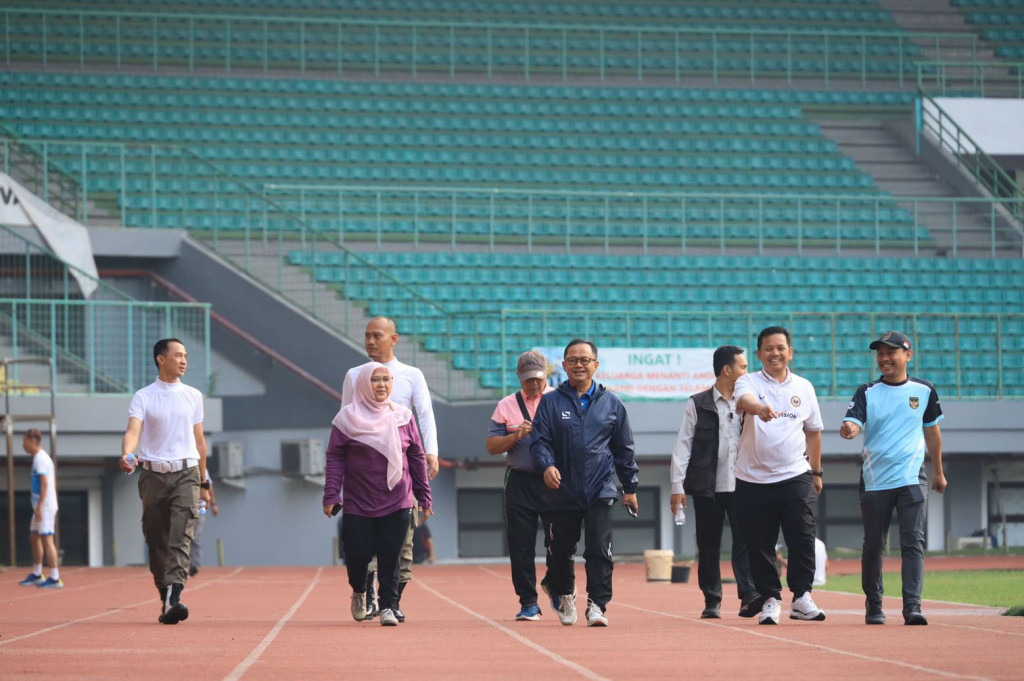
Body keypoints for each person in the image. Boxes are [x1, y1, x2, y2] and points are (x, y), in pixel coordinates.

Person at [840, 330, 946, 626]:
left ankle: (913, 606)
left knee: (913, 543)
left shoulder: (924, 390)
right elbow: (852, 422)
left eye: (891, 352)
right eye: (880, 353)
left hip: (912, 478)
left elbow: (933, 432)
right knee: (874, 544)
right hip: (875, 480)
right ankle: (874, 604)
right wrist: (849, 429)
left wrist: (938, 471)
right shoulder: (867, 391)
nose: (884, 358)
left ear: (907, 355)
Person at [531, 339, 639, 628]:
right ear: (564, 365)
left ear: (595, 365)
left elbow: (624, 449)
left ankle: (597, 604)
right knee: (560, 549)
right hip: (562, 489)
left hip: (600, 488)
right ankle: (565, 594)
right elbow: (540, 441)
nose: (579, 365)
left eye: (585, 360)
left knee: (599, 549)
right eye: (573, 360)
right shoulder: (550, 402)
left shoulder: (612, 403)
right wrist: (547, 465)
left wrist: (630, 488)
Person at [341, 316, 439, 621]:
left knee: (402, 545)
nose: (370, 341)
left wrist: (431, 452)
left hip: (402, 474)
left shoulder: (411, 375)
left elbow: (425, 413)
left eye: (377, 336)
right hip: (365, 476)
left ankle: (392, 600)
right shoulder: (354, 375)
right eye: (367, 335)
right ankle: (369, 594)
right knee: (364, 543)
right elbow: (345, 420)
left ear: (394, 339)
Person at [323, 362, 432, 627]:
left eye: (386, 379)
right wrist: (331, 493)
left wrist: (424, 496)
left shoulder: (404, 417)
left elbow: (417, 457)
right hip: (358, 501)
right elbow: (335, 457)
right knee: (357, 554)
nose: (381, 385)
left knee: (391, 555)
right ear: (362, 384)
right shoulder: (345, 419)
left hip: (398, 498)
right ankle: (359, 589)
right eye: (375, 380)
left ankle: (388, 606)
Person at [734, 326, 825, 625]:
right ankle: (770, 598)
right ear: (759, 354)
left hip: (795, 473)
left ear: (790, 352)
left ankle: (802, 596)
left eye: (780, 348)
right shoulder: (747, 381)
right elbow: (744, 401)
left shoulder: (804, 387)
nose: (775, 353)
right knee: (760, 543)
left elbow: (813, 432)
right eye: (768, 349)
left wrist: (816, 472)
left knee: (802, 535)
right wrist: (758, 408)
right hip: (753, 478)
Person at [119, 338, 209, 625]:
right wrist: (127, 453)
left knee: (181, 535)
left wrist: (204, 481)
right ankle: (166, 595)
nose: (184, 361)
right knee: (156, 538)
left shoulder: (193, 395)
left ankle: (175, 595)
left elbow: (200, 441)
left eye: (186, 356)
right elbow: (133, 431)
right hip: (153, 475)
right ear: (161, 359)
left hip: (187, 473)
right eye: (178, 355)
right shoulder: (143, 396)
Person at [669, 345, 757, 619]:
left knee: (746, 541)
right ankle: (712, 599)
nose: (747, 372)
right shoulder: (697, 403)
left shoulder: (749, 402)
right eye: (743, 367)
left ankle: (749, 595)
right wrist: (677, 487)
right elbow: (682, 446)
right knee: (708, 546)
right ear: (727, 370)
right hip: (708, 488)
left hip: (743, 485)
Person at [486, 350, 555, 621]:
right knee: (521, 545)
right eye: (528, 380)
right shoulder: (506, 405)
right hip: (519, 481)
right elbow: (492, 446)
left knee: (560, 541)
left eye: (538, 378)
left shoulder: (560, 399)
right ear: (518, 377)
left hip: (554, 480)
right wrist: (515, 436)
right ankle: (528, 601)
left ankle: (556, 583)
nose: (534, 384)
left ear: (547, 375)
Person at [18, 429, 62, 588]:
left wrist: (41, 506)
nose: (23, 445)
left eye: (25, 441)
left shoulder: (41, 459)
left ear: (32, 441)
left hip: (44, 506)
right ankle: (37, 573)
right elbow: (52, 482)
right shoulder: (40, 458)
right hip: (40, 505)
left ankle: (55, 577)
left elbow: (45, 483)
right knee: (34, 537)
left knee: (47, 539)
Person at [189, 470, 219, 576]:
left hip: (198, 506)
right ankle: (181, 564)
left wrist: (213, 504)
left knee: (194, 536)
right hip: (182, 506)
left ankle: (194, 565)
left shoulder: (202, 469)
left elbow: (208, 486)